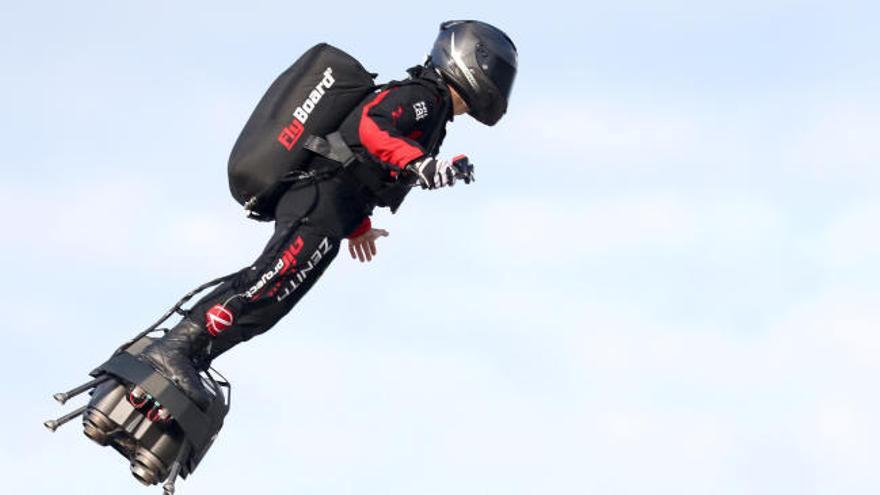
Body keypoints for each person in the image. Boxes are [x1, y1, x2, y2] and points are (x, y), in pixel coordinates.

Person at [140, 20, 518, 409]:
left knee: (272, 302)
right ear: (472, 59)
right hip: (316, 198)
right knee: (271, 278)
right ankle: (175, 349)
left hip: (332, 211)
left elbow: (361, 161)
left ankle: (192, 358)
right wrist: (422, 164)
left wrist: (359, 225)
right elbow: (371, 127)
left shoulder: (435, 114)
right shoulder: (425, 96)